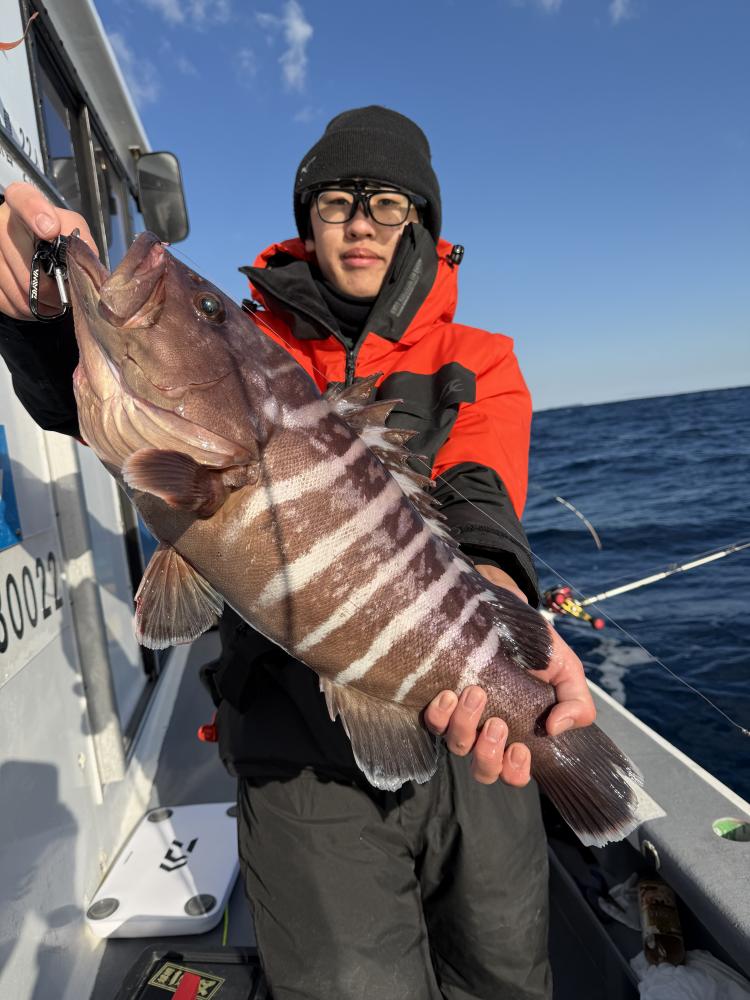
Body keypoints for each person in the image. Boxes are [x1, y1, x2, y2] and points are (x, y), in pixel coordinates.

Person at [0, 106, 596, 1000]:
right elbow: (92, 401)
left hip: (469, 748)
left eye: (387, 204)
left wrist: (501, 594)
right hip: (292, 749)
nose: (360, 223)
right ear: (307, 217)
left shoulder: (480, 358)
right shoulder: (253, 341)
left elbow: (478, 492)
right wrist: (44, 315)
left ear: (418, 223)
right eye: (336, 201)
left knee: (506, 974)